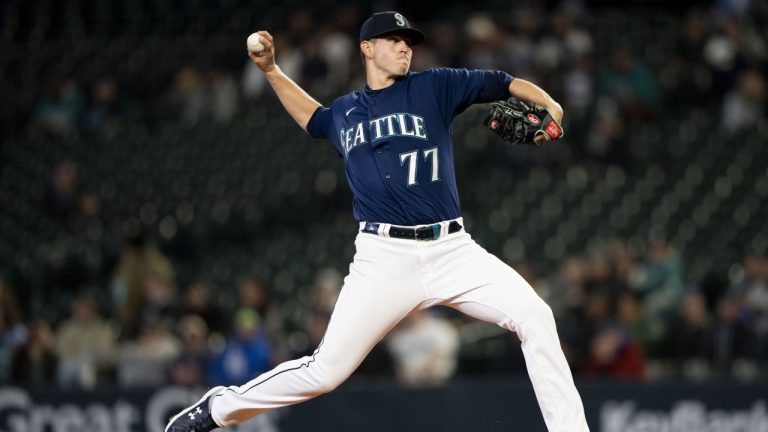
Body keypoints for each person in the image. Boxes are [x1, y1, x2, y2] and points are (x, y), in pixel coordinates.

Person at [165, 11, 589, 432]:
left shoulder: (434, 86)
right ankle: (219, 408)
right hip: (383, 258)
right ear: (367, 48)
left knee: (535, 315)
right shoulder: (346, 112)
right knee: (325, 372)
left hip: (452, 249)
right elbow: (313, 119)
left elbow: (501, 81)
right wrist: (272, 70)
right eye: (393, 39)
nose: (405, 46)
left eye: (409, 40)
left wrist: (548, 102)